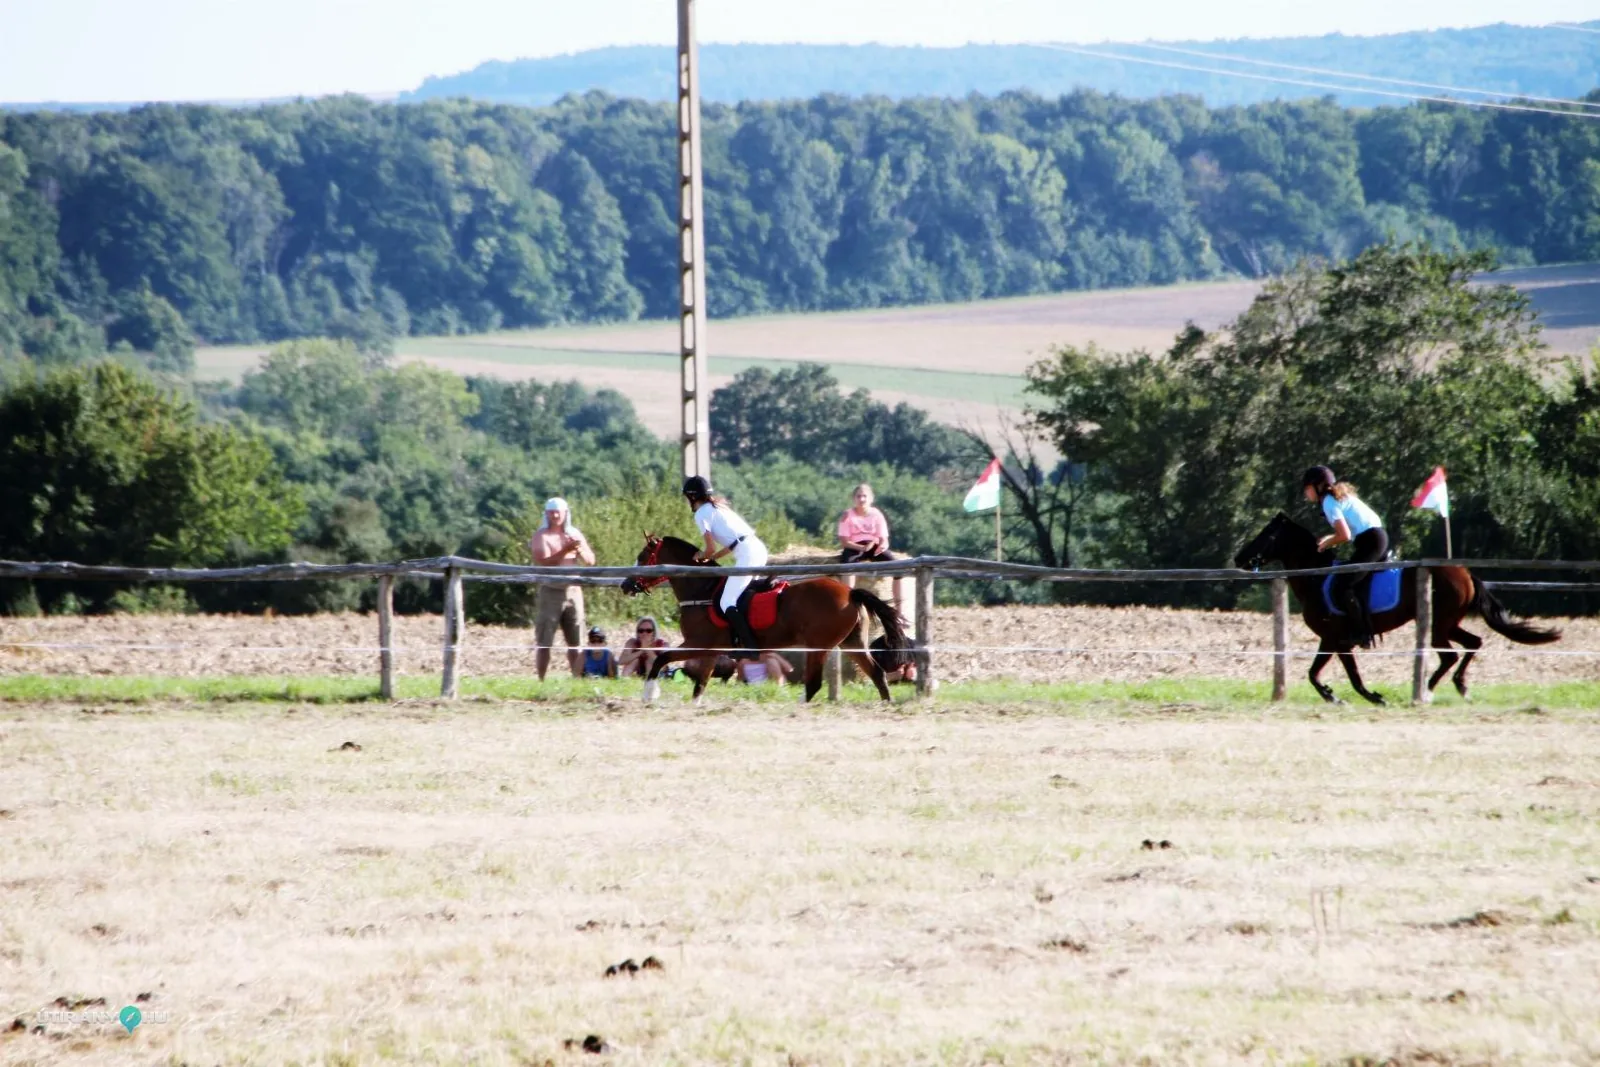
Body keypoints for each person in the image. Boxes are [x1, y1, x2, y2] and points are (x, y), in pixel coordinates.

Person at [1303, 465, 1388, 649]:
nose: (1305, 493)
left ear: (1317, 486)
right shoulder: (1340, 496)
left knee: (1341, 586)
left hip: (1370, 541)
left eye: (1307, 488)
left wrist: (1327, 543)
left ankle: (1361, 634)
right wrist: (1329, 538)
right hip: (1377, 537)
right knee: (1353, 581)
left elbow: (1345, 535)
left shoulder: (1328, 502)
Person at [683, 475, 767, 659]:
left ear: (692, 496)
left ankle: (750, 646)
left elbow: (710, 547)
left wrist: (701, 556)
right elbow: (732, 544)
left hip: (747, 554)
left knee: (726, 601)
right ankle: (750, 638)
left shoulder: (701, 513)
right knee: (744, 597)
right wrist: (713, 557)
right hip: (756, 548)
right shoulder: (719, 508)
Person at [529, 497, 596, 679]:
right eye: (551, 512)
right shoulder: (541, 535)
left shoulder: (574, 534)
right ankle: (541, 680)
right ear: (546, 514)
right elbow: (543, 560)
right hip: (550, 591)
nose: (555, 515)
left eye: (559, 511)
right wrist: (565, 550)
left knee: (576, 641)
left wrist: (580, 550)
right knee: (545, 641)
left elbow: (591, 561)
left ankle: (576, 678)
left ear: (566, 513)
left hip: (574, 591)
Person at [837, 483, 903, 605]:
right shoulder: (847, 515)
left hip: (873, 545)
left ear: (871, 499)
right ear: (854, 498)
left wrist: (882, 546)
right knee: (848, 567)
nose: (862, 499)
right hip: (854, 546)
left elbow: (884, 538)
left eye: (864, 496)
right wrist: (861, 547)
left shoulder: (877, 514)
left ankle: (899, 609)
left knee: (898, 568)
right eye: (858, 496)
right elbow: (844, 541)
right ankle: (849, 603)